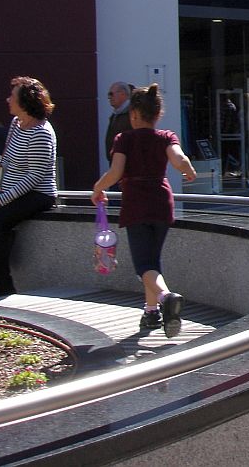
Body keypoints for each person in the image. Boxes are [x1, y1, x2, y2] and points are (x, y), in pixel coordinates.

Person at [92, 84, 197, 336]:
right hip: (161, 201)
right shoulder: (166, 137)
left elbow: (115, 173)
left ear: (134, 114)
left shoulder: (124, 139)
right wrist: (189, 170)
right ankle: (151, 312)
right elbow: (179, 159)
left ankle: (166, 297)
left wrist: (97, 188)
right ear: (158, 114)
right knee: (152, 260)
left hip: (137, 203)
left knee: (143, 265)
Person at [0, 77, 58, 297]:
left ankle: (3, 288)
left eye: (12, 96)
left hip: (38, 194)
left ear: (25, 102)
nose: (8, 99)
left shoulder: (41, 132)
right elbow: (4, 161)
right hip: (10, 192)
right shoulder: (16, 124)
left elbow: (35, 177)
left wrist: (0, 200)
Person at [105, 82, 133, 163]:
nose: (109, 97)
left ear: (122, 94)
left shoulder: (132, 114)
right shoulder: (116, 114)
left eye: (111, 94)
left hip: (127, 164)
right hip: (116, 162)